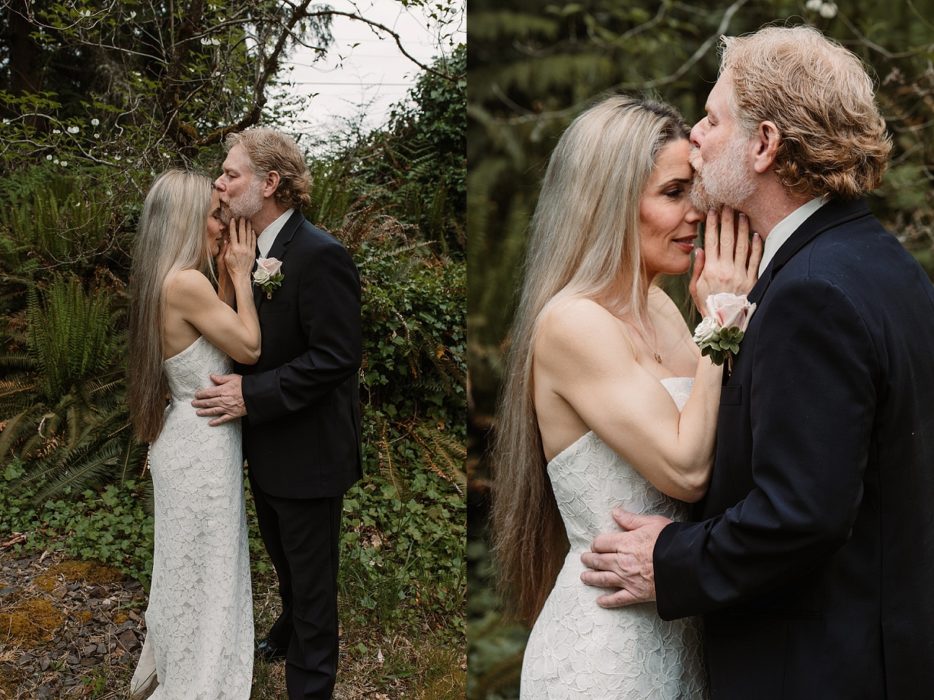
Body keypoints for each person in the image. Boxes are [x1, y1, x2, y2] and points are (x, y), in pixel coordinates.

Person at [581, 26, 934, 699]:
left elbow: (803, 512)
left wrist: (669, 560)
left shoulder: (812, 295)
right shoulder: (885, 264)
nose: (696, 137)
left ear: (765, 144)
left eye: (712, 119)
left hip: (819, 669)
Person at [491, 95, 760, 697]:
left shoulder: (662, 306)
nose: (697, 211)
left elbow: (720, 435)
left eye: (695, 188)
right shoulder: (572, 324)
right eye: (672, 193)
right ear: (607, 203)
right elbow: (686, 469)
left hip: (681, 628)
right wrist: (722, 317)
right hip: (607, 657)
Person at [191, 127, 362, 699]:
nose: (219, 181)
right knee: (287, 565)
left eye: (231, 173)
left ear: (269, 183)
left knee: (313, 587)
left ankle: (309, 685)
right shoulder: (247, 252)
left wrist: (250, 396)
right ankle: (288, 630)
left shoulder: (320, 254)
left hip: (309, 451)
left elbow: (337, 358)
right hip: (263, 447)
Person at [126, 170, 259, 698]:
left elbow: (215, 331)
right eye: (211, 215)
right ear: (184, 219)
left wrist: (225, 272)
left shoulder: (168, 278)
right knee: (204, 569)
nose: (220, 225)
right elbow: (247, 348)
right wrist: (245, 274)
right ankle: (197, 675)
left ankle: (187, 656)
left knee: (192, 566)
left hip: (188, 436)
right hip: (201, 444)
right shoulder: (185, 283)